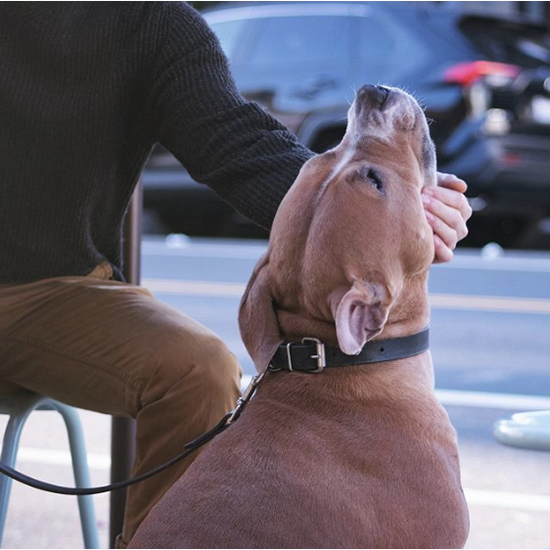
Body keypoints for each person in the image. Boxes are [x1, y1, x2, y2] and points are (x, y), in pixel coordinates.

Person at [0, 0, 472, 547]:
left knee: (198, 369)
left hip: (54, 290)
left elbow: (237, 143)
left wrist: (379, 214)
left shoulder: (150, 21)